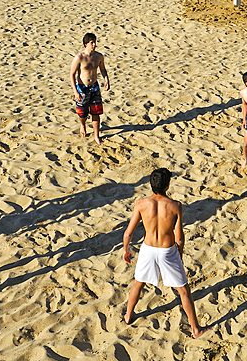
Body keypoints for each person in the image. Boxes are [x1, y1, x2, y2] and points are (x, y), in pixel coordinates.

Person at [122, 168, 208, 338]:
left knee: (138, 284)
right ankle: (196, 330)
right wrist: (180, 255)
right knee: (183, 291)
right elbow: (180, 236)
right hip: (167, 250)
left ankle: (128, 316)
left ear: (149, 184)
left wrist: (126, 248)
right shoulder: (175, 206)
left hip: (148, 248)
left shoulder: (141, 203)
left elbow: (128, 233)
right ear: (168, 186)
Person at [70, 32, 110, 144]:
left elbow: (102, 69)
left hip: (95, 87)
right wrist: (75, 91)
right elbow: (72, 74)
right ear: (85, 44)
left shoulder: (99, 56)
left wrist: (106, 79)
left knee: (96, 112)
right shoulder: (79, 57)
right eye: (91, 42)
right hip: (82, 88)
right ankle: (82, 125)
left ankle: (96, 136)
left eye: (95, 42)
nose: (94, 44)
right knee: (82, 113)